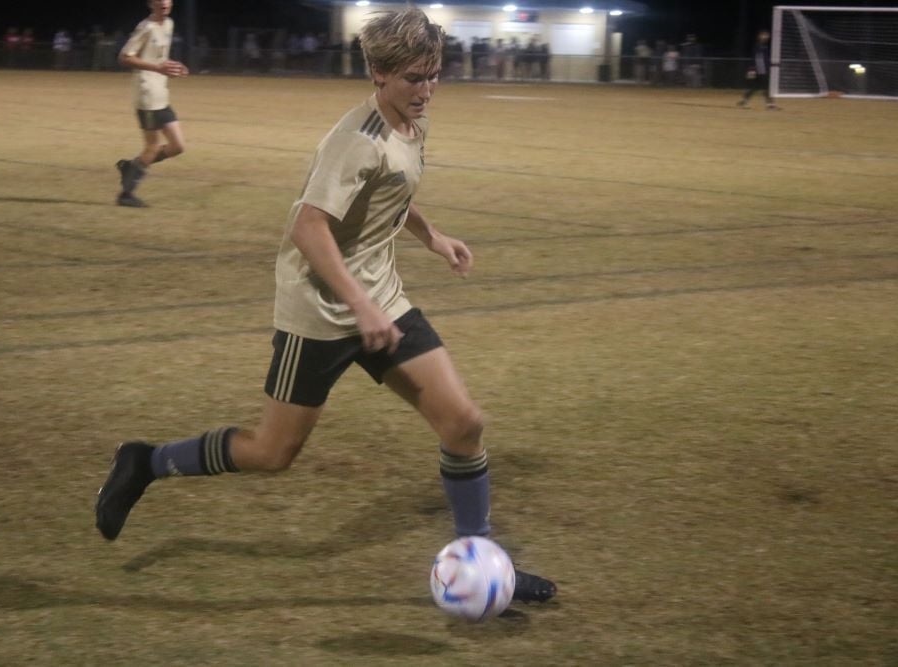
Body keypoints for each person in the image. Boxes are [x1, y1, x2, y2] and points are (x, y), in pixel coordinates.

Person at [96, 6, 557, 605]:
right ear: (378, 74)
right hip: (318, 314)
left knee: (464, 423)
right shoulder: (354, 141)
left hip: (380, 299)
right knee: (272, 453)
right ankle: (147, 462)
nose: (426, 90)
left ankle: (483, 558)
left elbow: (390, 191)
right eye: (413, 78)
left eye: (433, 74)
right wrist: (360, 307)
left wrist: (432, 236)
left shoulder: (412, 123)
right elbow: (310, 229)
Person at [114, 0, 189, 208]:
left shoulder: (168, 24)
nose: (163, 2)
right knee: (152, 146)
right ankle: (126, 194)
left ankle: (132, 166)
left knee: (177, 146)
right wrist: (158, 68)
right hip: (147, 96)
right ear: (150, 4)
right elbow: (124, 57)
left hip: (161, 94)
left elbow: (160, 57)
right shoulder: (145, 27)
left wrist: (173, 66)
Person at [737, 30, 779, 110]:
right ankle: (770, 105)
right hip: (759, 71)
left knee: (758, 87)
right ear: (759, 37)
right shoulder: (758, 46)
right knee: (761, 88)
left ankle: (744, 101)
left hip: (763, 71)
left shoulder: (765, 47)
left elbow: (766, 60)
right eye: (764, 36)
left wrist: (772, 65)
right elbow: (757, 59)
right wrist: (753, 70)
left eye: (766, 36)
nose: (766, 37)